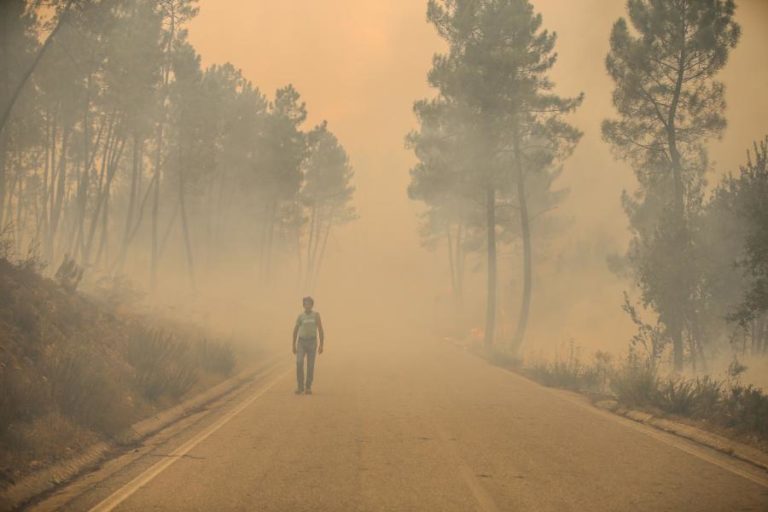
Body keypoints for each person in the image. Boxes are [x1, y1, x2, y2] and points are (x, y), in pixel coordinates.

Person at [292, 296, 324, 395]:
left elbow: (320, 330)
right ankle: (300, 386)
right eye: (306, 304)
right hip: (301, 342)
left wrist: (321, 345)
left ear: (312, 305)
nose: (307, 306)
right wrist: (293, 345)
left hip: (312, 342)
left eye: (309, 304)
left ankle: (308, 386)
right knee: (299, 362)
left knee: (310, 365)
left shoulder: (316, 315)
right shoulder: (300, 317)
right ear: (303, 305)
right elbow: (295, 330)